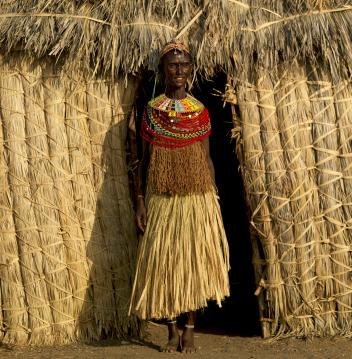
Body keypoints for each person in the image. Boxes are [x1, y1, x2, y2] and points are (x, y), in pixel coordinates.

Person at [129, 39, 230, 353]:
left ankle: (189, 331)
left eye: (184, 64)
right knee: (165, 266)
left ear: (191, 68)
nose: (179, 70)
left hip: (195, 199)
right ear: (163, 68)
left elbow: (208, 158)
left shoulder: (199, 112)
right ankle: (171, 333)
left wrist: (212, 199)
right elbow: (143, 163)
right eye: (173, 64)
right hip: (161, 199)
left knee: (192, 266)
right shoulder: (152, 112)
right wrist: (141, 200)